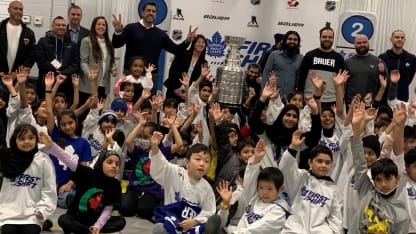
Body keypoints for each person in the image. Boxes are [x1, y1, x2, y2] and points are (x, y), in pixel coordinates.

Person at [39, 131, 126, 234]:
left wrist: (98, 226)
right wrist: (51, 146)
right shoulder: (88, 173)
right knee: (63, 219)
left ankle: (91, 230)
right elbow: (68, 160)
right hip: (77, 218)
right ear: (100, 163)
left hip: (95, 221)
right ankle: (87, 232)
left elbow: (108, 210)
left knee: (121, 221)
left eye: (117, 164)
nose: (114, 166)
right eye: (109, 162)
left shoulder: (115, 185)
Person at [349, 101, 410, 233]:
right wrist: (356, 128)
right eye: (378, 179)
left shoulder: (402, 214)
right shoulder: (366, 190)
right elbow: (359, 163)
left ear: (398, 179)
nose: (383, 184)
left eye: (388, 178)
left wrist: (399, 128)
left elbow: (399, 156)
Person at [112, 1, 198, 93]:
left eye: (153, 11)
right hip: (130, 74)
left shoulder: (161, 34)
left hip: (151, 77)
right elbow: (116, 44)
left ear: (156, 14)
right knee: (127, 105)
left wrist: (187, 41)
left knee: (148, 106)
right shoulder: (131, 28)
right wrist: (117, 32)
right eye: (148, 10)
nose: (151, 13)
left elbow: (175, 49)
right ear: (142, 12)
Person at [149, 131, 217, 234]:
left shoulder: (207, 188)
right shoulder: (175, 172)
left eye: (207, 161)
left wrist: (195, 221)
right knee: (159, 228)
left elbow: (209, 212)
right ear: (187, 162)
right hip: (172, 221)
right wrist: (154, 146)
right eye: (198, 159)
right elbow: (160, 164)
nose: (202, 164)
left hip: (192, 226)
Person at [217, 139, 290, 233]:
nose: (264, 192)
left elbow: (258, 229)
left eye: (270, 189)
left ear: (280, 189)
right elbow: (249, 182)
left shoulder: (279, 211)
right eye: (261, 188)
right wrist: (256, 159)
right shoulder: (254, 198)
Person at [279, 131, 342, 233]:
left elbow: (336, 218)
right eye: (319, 161)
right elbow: (285, 170)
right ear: (310, 162)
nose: (323, 165)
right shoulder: (300, 177)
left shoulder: (333, 189)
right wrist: (292, 148)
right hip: (294, 230)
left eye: (327, 162)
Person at [0, 124, 57, 234]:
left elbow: (49, 190)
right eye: (21, 138)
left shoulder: (43, 160)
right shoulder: (6, 159)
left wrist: (43, 210)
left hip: (32, 214)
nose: (26, 141)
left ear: (36, 139)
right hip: (8, 213)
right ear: (14, 140)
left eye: (31, 138)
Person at [297, 23, 345, 108]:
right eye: (324, 37)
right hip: (309, 98)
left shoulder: (339, 58)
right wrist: (300, 95)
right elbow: (301, 77)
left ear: (333, 39)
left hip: (331, 100)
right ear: (320, 38)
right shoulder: (309, 55)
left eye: (330, 37)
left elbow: (341, 83)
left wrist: (340, 99)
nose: (327, 39)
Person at [35, 16, 80, 101]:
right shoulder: (43, 42)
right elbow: (41, 62)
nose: (61, 27)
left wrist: (63, 73)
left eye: (63, 25)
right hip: (47, 82)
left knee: (63, 111)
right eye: (58, 25)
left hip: (65, 83)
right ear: (52, 26)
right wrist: (56, 72)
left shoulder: (72, 45)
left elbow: (76, 63)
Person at [80, 16, 116, 101]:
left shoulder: (109, 43)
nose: (101, 27)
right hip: (89, 84)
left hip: (103, 85)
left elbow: (111, 61)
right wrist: (89, 73)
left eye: (103, 25)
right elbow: (83, 61)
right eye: (98, 24)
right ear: (94, 26)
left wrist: (113, 69)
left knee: (99, 112)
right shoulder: (86, 41)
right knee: (86, 112)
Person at [164, 34, 207, 103]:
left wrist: (188, 93)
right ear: (194, 43)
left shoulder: (204, 63)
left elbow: (200, 81)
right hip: (174, 90)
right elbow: (172, 72)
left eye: (203, 43)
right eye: (199, 42)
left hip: (189, 95)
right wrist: (175, 89)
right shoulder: (182, 54)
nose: (201, 44)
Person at [262, 30, 303, 101]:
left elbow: (299, 80)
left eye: (295, 40)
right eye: (290, 39)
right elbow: (266, 74)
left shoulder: (301, 58)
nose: (292, 41)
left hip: (290, 99)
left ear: (298, 43)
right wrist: (264, 95)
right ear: (285, 41)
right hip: (272, 97)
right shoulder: (274, 55)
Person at [345, 35, 385, 106]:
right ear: (354, 45)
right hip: (352, 104)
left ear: (368, 43)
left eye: (364, 42)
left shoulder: (378, 62)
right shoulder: (347, 62)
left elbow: (384, 84)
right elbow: (343, 85)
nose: (362, 45)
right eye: (359, 43)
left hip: (371, 104)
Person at [0, 1, 36, 78]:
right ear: (8, 10)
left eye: (21, 9)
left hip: (18, 76)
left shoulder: (29, 33)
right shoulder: (0, 28)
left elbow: (32, 55)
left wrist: (19, 72)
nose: (18, 11)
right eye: (15, 8)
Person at [379, 30, 416, 102]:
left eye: (402, 38)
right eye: (397, 37)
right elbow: (380, 77)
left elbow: (410, 77)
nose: (400, 39)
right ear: (391, 39)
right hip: (385, 98)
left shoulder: (411, 58)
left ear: (405, 40)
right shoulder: (383, 57)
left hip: (402, 98)